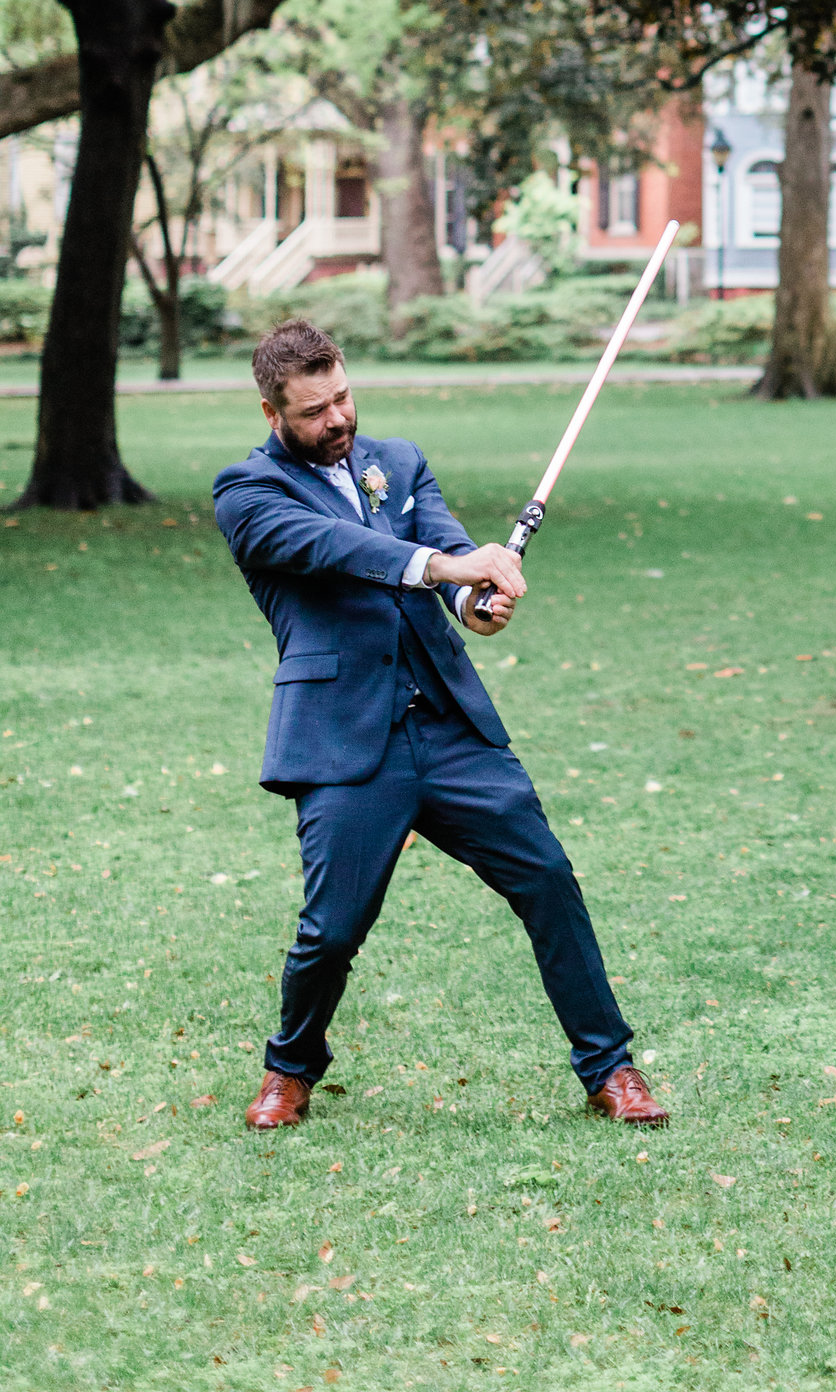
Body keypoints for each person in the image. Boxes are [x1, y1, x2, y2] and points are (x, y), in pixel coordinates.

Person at [213, 318, 667, 1133]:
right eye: (314, 410)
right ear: (271, 413)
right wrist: (449, 570)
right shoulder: (249, 494)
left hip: (451, 728)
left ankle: (611, 1067)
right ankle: (290, 1069)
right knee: (333, 929)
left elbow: (447, 550)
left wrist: (477, 600)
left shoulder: (400, 462)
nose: (338, 420)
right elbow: (339, 549)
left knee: (550, 884)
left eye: (344, 397)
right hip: (347, 741)